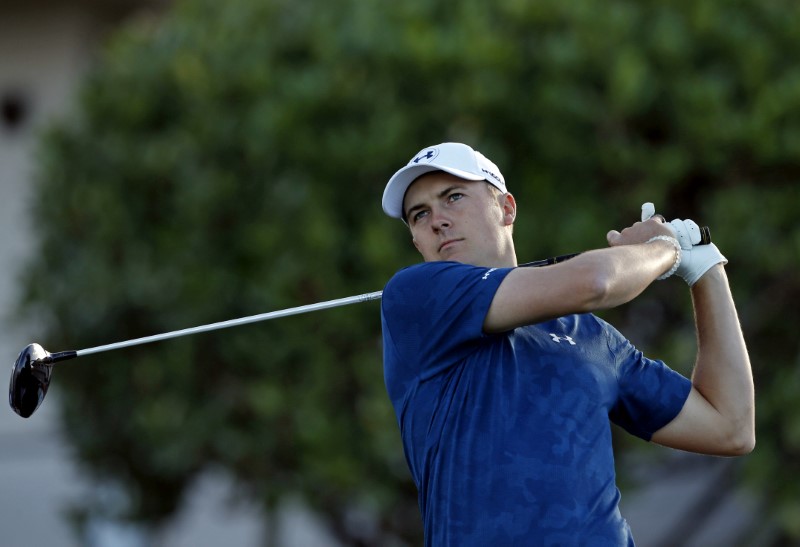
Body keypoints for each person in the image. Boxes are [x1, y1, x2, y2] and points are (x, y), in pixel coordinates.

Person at [379, 142, 754, 546]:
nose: (438, 220)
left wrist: (706, 269)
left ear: (506, 208)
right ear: (417, 240)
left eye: (453, 197)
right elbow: (595, 282)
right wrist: (663, 249)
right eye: (420, 214)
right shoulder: (416, 297)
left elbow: (730, 427)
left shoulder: (590, 336)